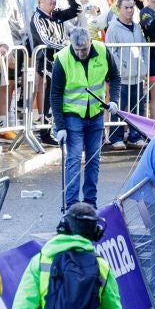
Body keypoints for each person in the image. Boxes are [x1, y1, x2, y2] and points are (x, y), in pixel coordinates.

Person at [50, 28, 121, 208]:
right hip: (72, 116)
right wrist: (60, 126)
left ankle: (90, 203)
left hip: (95, 114)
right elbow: (55, 95)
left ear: (90, 41)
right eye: (77, 49)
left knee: (93, 160)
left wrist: (114, 100)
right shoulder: (63, 59)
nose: (80, 53)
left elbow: (115, 77)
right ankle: (73, 205)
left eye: (84, 49)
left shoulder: (103, 51)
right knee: (73, 159)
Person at [102, 0, 146, 149]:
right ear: (118, 9)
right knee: (118, 108)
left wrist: (144, 66)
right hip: (121, 77)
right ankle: (116, 137)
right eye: (126, 8)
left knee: (137, 108)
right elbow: (112, 53)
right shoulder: (113, 28)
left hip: (137, 75)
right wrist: (122, 69)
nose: (129, 10)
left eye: (131, 7)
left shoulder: (137, 27)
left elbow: (144, 47)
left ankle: (135, 135)